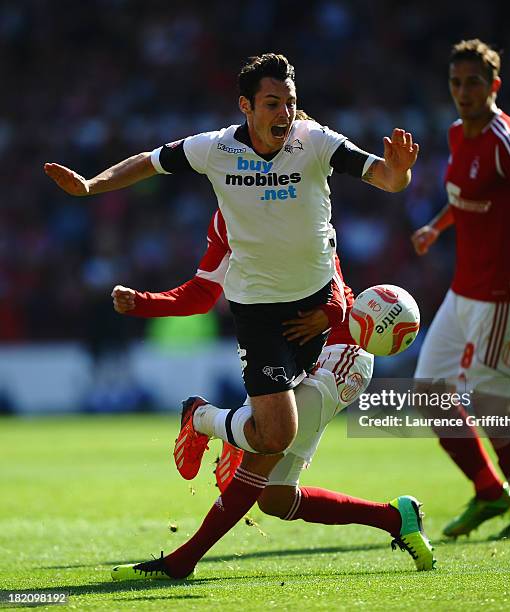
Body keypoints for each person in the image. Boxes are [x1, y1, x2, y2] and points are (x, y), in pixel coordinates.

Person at [45, 53, 418, 470]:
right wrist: (93, 186)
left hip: (313, 307)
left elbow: (385, 177)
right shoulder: (216, 151)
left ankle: (224, 435)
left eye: (290, 102)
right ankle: (201, 417)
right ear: (247, 106)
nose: (285, 113)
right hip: (258, 311)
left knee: (267, 448)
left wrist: (399, 173)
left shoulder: (314, 142)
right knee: (275, 437)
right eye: (273, 103)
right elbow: (150, 162)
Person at [108, 210, 436, 579]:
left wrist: (331, 310)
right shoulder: (225, 220)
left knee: (262, 452)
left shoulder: (297, 191)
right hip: (286, 351)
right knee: (275, 498)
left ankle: (199, 429)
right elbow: (202, 294)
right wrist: (145, 302)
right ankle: (395, 517)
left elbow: (333, 270)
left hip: (340, 351)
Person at [410, 39, 510, 539]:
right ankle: (487, 491)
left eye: (473, 82)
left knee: (491, 405)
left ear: (493, 85)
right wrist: (437, 227)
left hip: (504, 295)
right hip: (464, 291)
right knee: (428, 391)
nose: (463, 91)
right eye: (456, 83)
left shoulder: (508, 139)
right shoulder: (460, 134)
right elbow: (465, 197)